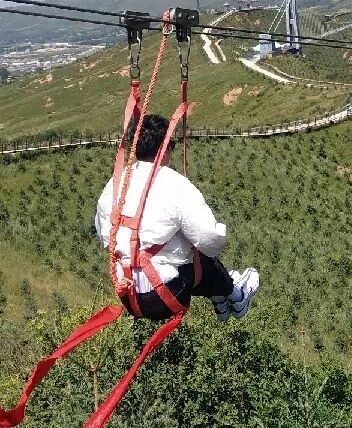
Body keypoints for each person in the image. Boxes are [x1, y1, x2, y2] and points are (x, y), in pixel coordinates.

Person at [95, 113, 259, 322]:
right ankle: (236, 296)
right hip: (165, 295)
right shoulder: (173, 183)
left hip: (128, 293)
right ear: (164, 149)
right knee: (200, 252)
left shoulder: (116, 182)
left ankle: (223, 297)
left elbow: (104, 235)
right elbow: (210, 239)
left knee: (177, 246)